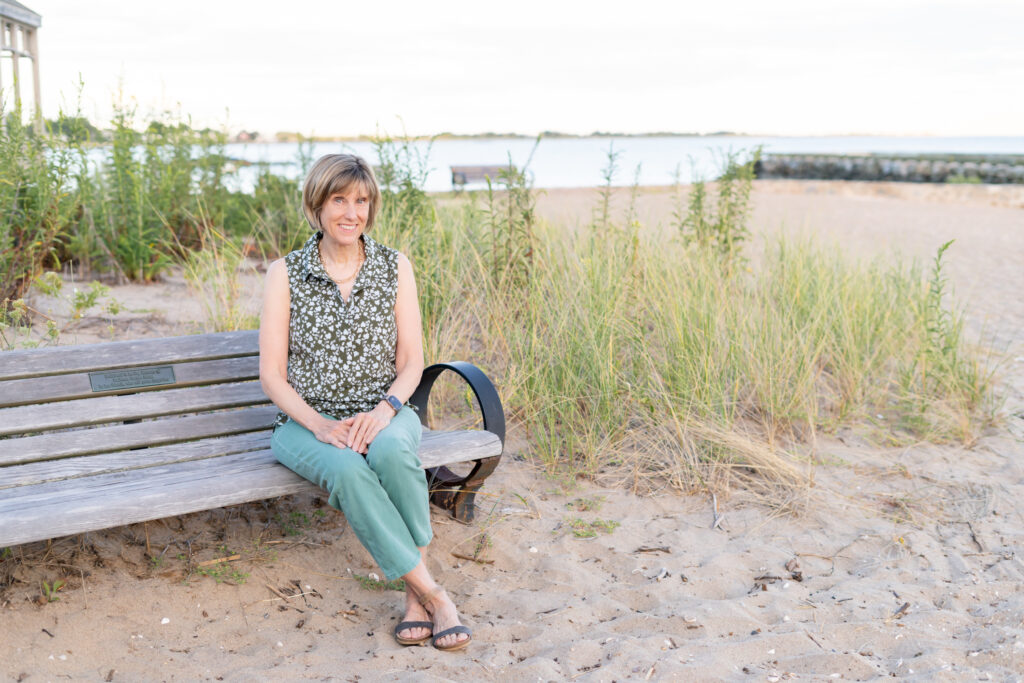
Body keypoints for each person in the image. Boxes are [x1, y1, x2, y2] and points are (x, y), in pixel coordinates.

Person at [259, 153, 471, 652]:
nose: (351, 212)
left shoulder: (395, 267)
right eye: (339, 199)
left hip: (385, 408)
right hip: (304, 423)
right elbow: (271, 375)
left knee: (392, 454)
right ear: (317, 204)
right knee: (350, 471)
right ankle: (435, 596)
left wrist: (384, 412)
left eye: (361, 200)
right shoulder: (284, 273)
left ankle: (411, 600)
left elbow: (413, 361)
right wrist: (320, 426)